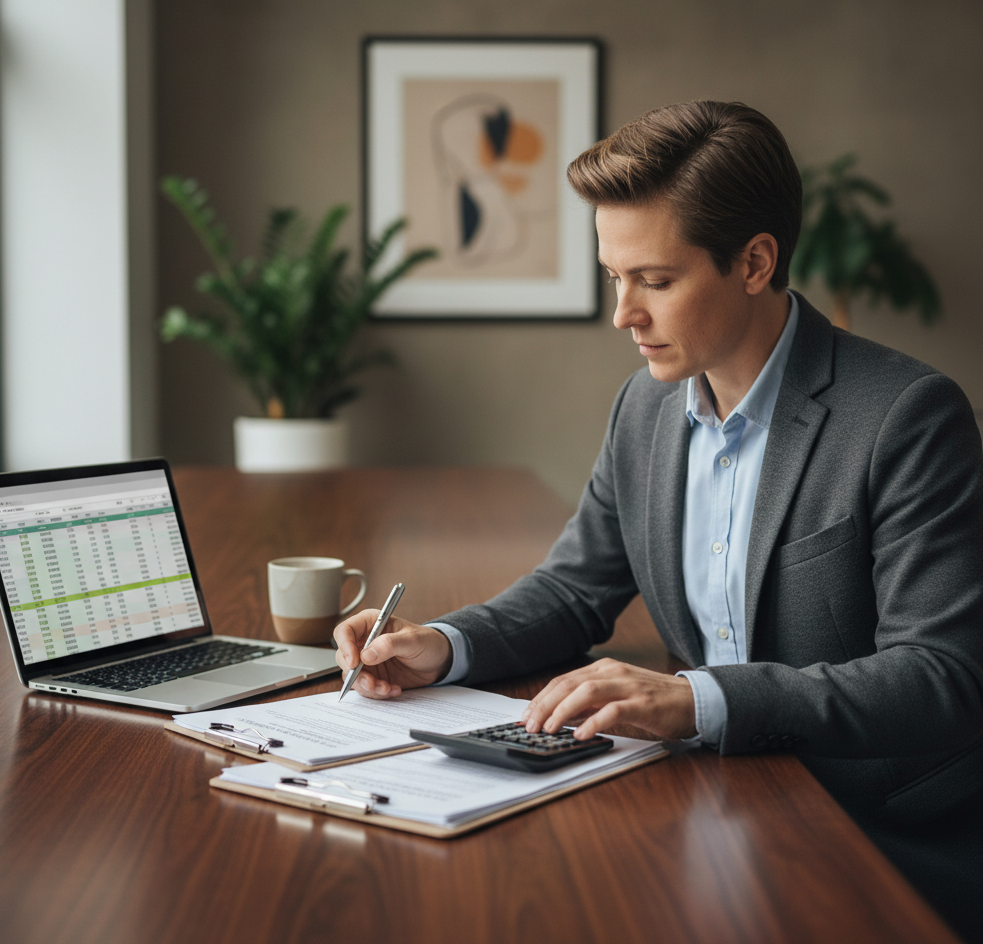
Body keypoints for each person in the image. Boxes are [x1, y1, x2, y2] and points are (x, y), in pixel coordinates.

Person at [335, 101, 983, 939]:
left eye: (656, 280)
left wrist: (697, 700)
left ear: (755, 263)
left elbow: (943, 674)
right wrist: (446, 645)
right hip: (716, 803)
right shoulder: (646, 407)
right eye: (615, 277)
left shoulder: (906, 415)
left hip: (872, 828)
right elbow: (575, 588)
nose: (623, 314)